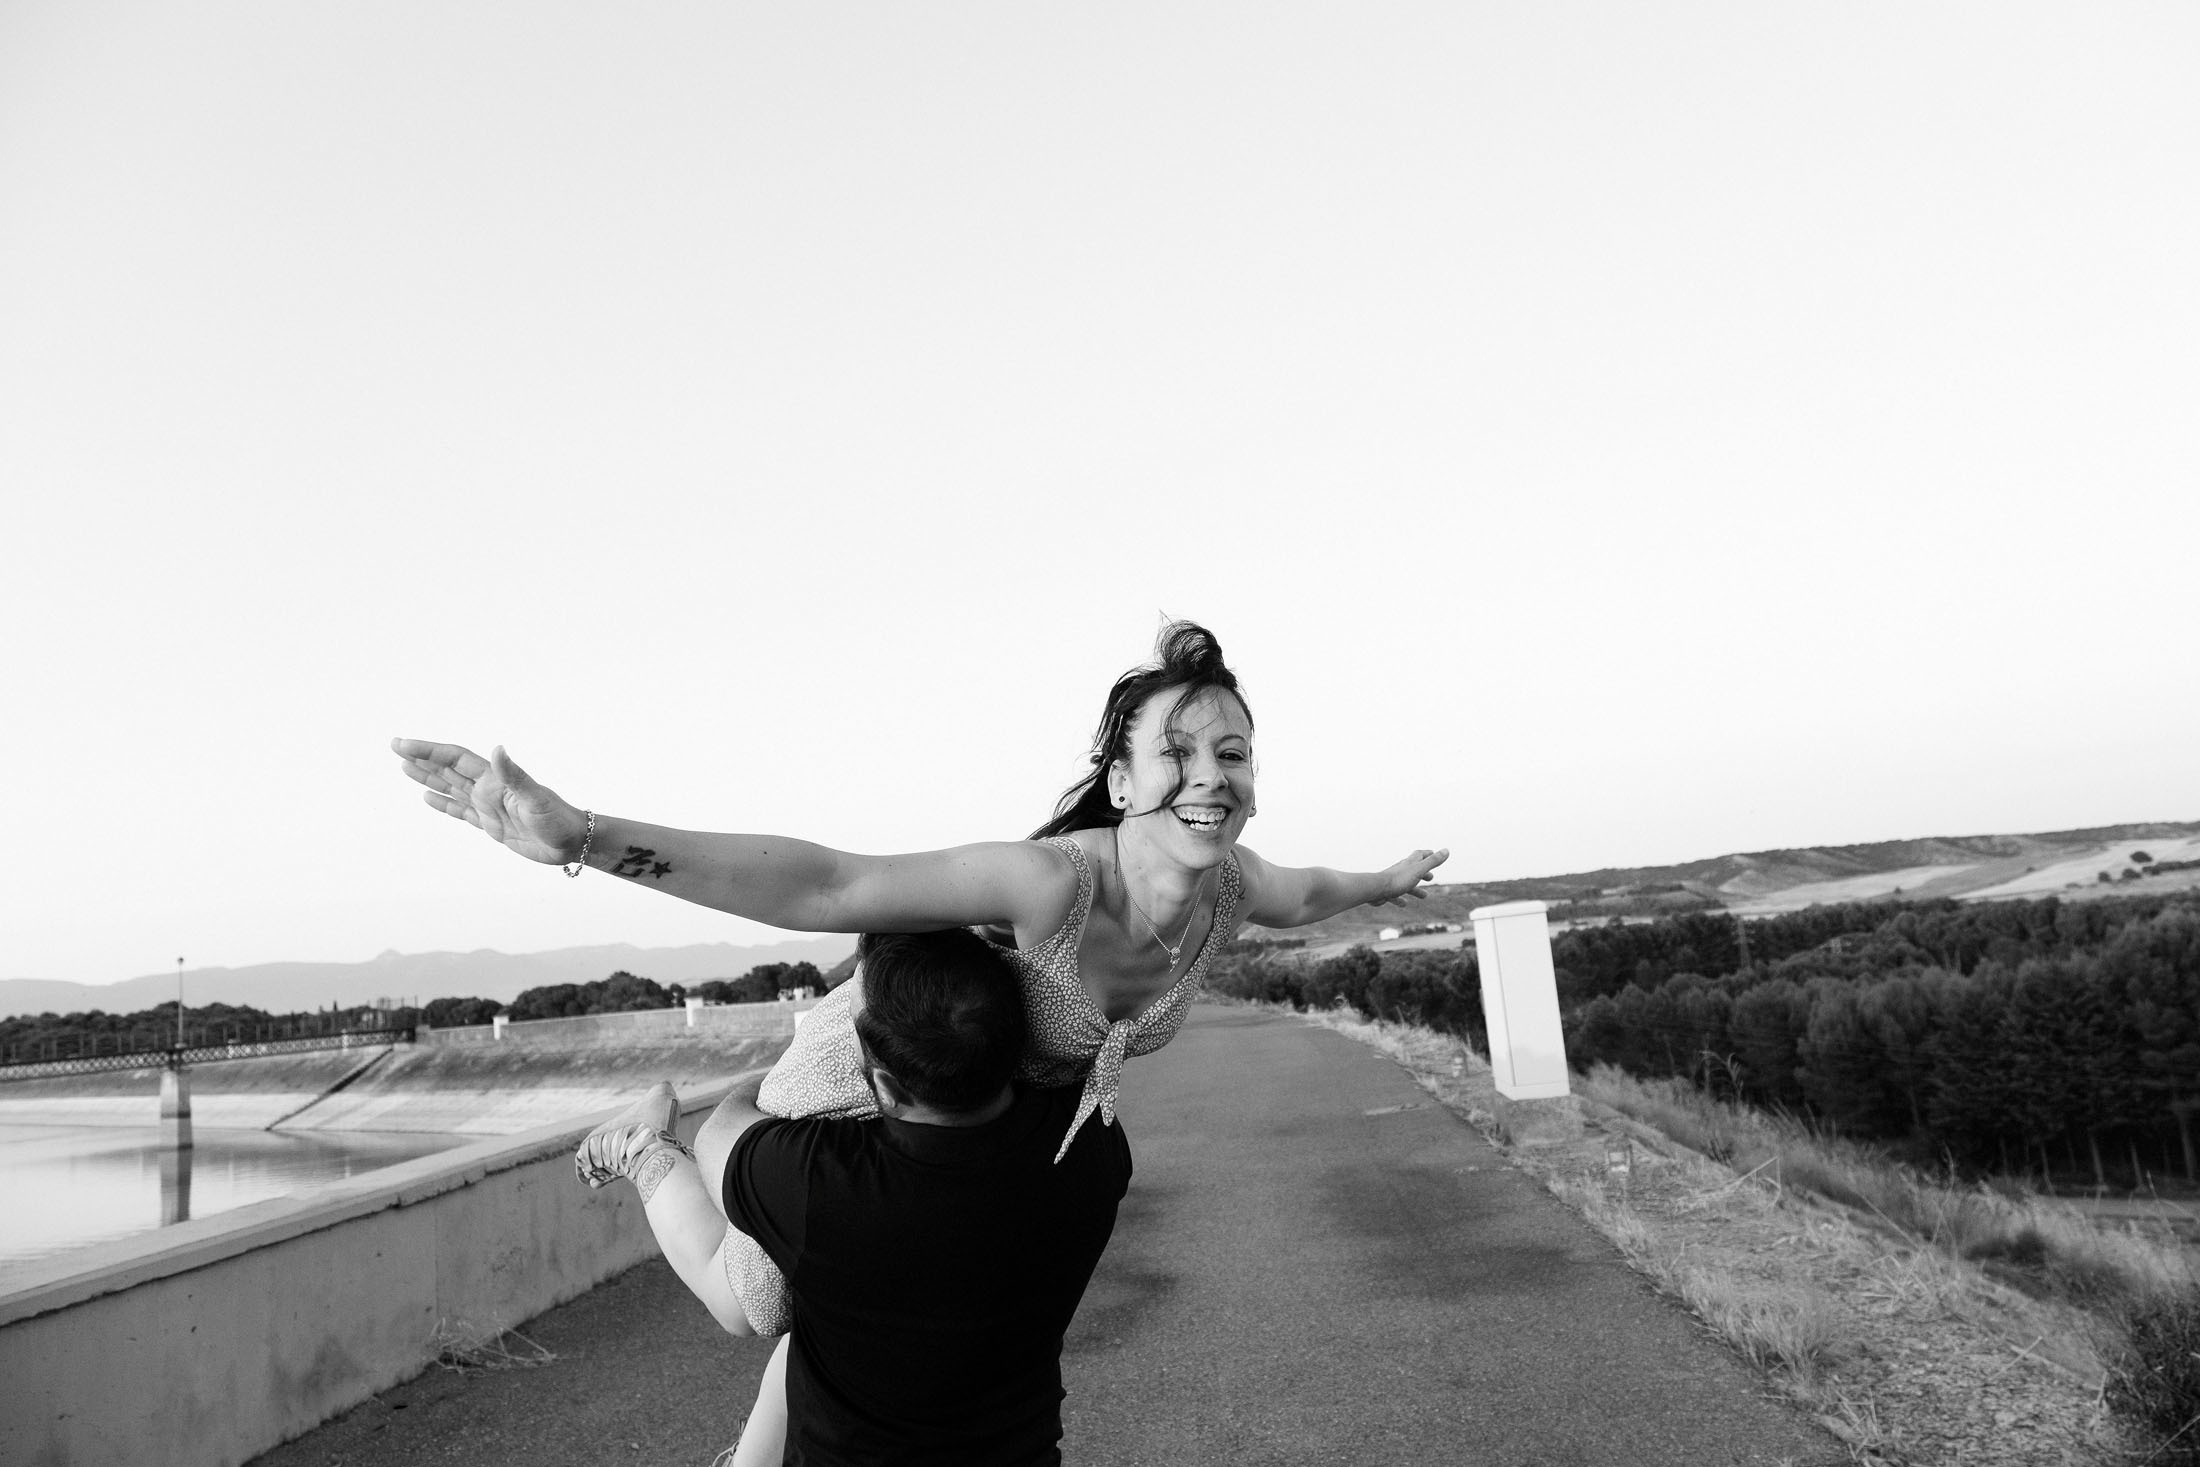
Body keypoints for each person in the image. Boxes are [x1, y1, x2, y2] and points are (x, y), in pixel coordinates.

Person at [394, 620, 1446, 1462]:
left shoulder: (1231, 886)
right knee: (756, 1303)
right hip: (878, 1067)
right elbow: (829, 884)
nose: (1210, 774)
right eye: (1175, 751)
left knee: (874, 1301)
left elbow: (1312, 892)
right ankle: (647, 1149)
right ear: (1121, 784)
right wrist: (582, 836)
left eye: (1232, 752)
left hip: (989, 1113)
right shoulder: (1055, 883)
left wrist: (1390, 880)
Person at [576, 928, 1131, 1466]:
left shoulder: (825, 1185)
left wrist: (795, 1080)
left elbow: (720, 1134)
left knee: (739, 1305)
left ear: (885, 1087)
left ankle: (639, 1148)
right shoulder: (1094, 1148)